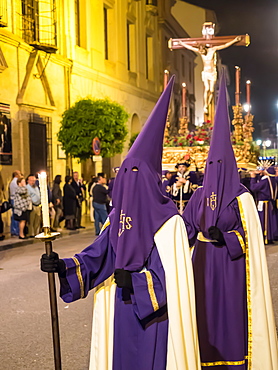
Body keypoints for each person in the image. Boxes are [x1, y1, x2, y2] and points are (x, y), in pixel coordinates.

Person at [40, 77, 201, 369]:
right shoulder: (116, 219)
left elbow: (175, 282)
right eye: (126, 172)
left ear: (151, 180)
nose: (130, 180)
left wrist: (140, 281)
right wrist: (62, 265)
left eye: (136, 172)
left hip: (155, 317)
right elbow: (97, 256)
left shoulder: (171, 224)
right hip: (118, 308)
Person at [182, 73, 278, 369]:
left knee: (229, 316)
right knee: (203, 315)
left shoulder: (242, 198)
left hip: (231, 269)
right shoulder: (197, 196)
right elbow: (182, 229)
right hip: (201, 265)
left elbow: (250, 237)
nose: (213, 169)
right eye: (210, 164)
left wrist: (227, 237)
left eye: (219, 164)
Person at [178, 36, 241, 113]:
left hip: (212, 73)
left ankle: (209, 102)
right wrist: (181, 43)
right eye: (200, 52)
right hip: (205, 73)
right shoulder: (200, 52)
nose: (202, 53)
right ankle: (206, 105)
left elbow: (224, 45)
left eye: (202, 52)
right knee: (207, 89)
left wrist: (234, 40)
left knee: (211, 90)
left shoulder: (212, 50)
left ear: (204, 49)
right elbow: (190, 48)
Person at [250, 166, 277, 244]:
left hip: (264, 204)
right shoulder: (273, 180)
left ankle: (265, 237)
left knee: (264, 220)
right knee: (270, 221)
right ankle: (270, 237)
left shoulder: (265, 180)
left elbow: (253, 187)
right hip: (270, 203)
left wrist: (253, 178)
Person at [9, 170, 21, 236]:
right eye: (19, 174)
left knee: (15, 215)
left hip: (13, 199)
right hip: (15, 199)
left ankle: (15, 230)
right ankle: (15, 230)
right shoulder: (15, 182)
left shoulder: (13, 182)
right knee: (16, 215)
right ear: (16, 175)